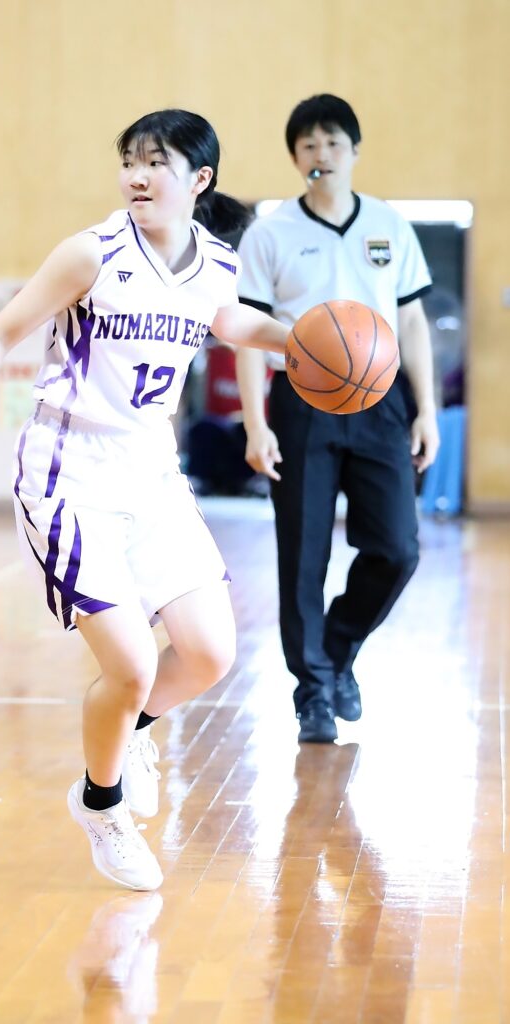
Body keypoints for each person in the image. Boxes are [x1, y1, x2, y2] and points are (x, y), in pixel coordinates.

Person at [0, 109, 288, 891]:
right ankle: (101, 806)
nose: (136, 177)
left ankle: (130, 729)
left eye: (155, 163)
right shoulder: (92, 253)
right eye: (128, 161)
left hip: (150, 471)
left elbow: (227, 319)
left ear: (199, 179)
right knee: (133, 665)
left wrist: (298, 337)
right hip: (68, 470)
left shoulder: (216, 262)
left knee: (210, 653)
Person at [235, 94, 440, 744]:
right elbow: (246, 333)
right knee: (303, 553)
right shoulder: (269, 233)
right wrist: (255, 424)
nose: (320, 154)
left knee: (398, 549)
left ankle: (338, 647)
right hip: (300, 402)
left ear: (353, 151)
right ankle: (314, 691)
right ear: (295, 158)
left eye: (332, 142)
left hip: (380, 400)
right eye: (307, 145)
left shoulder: (388, 224)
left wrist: (427, 410)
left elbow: (411, 321)